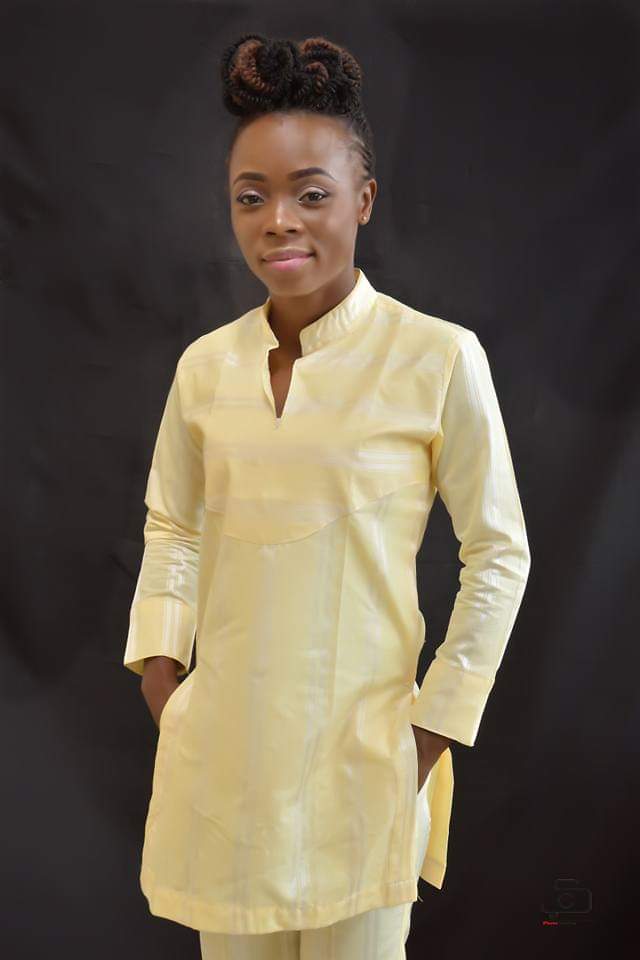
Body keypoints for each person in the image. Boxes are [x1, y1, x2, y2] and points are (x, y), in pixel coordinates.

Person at [123, 32, 531, 959]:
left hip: (365, 763)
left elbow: (498, 552)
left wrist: (432, 729)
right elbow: (173, 525)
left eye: (312, 194)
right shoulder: (205, 368)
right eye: (252, 196)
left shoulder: (435, 357)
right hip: (224, 765)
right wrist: (163, 678)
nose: (279, 221)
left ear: (364, 199)